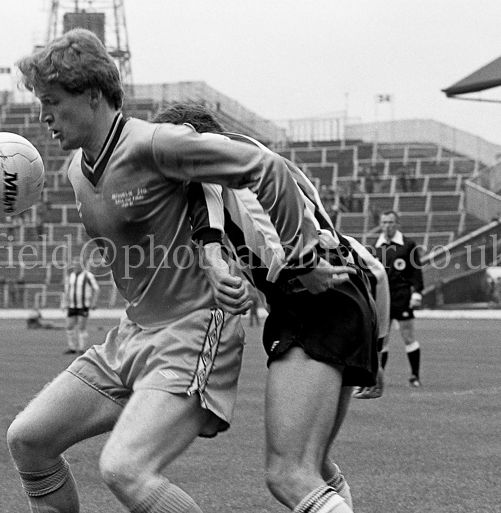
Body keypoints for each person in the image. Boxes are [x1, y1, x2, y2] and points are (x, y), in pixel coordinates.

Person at [7, 29, 252, 513]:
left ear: (93, 94)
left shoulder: (154, 143)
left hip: (194, 327)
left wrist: (223, 254)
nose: (43, 116)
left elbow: (250, 168)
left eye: (52, 101)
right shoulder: (76, 171)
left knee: (124, 469)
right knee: (28, 439)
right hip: (133, 335)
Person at [153, 103, 383, 512]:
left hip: (310, 301)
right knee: (316, 468)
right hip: (353, 300)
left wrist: (221, 270)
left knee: (287, 474)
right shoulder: (275, 166)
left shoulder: (207, 168)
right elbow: (375, 270)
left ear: (189, 137)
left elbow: (208, 234)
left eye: (165, 148)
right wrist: (377, 353)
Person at [374, 210, 424, 387]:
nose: (388, 225)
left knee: (408, 336)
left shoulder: (408, 245)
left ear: (397, 224)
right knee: (382, 340)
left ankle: (415, 376)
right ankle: (378, 378)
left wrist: (417, 293)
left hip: (402, 296)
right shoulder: (376, 246)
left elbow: (416, 271)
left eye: (391, 222)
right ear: (380, 224)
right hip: (382, 298)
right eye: (385, 222)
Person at [61, 259, 100, 354]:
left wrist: (93, 302)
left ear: (82, 266)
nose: (76, 267)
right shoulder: (71, 276)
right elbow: (67, 291)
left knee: (82, 326)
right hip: (72, 305)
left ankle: (82, 349)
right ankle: (72, 348)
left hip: (83, 305)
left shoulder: (88, 276)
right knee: (69, 326)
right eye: (74, 265)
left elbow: (96, 289)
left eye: (77, 265)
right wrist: (64, 302)